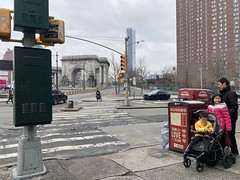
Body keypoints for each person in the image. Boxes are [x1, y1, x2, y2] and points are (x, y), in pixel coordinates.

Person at [217, 77, 239, 158]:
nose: (218, 86)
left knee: (230, 134)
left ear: (224, 84)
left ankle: (234, 152)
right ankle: (223, 150)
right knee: (222, 134)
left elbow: (234, 106)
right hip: (222, 118)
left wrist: (226, 115)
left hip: (230, 118)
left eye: (219, 84)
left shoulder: (231, 93)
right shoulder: (222, 93)